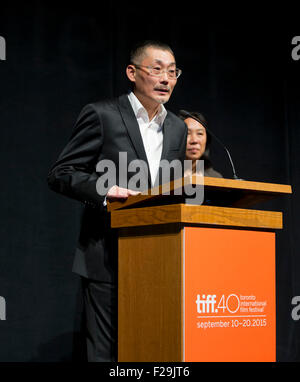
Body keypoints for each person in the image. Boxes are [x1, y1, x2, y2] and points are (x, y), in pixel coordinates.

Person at [47, 40, 187, 362]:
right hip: (106, 255)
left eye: (172, 71)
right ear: (132, 72)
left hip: (158, 257)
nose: (166, 78)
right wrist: (105, 190)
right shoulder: (103, 115)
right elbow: (61, 172)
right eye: (157, 69)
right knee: (106, 355)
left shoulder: (177, 128)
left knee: (151, 351)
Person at [178, 110, 222, 178]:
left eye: (200, 133)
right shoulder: (164, 176)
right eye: (187, 133)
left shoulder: (215, 178)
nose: (194, 140)